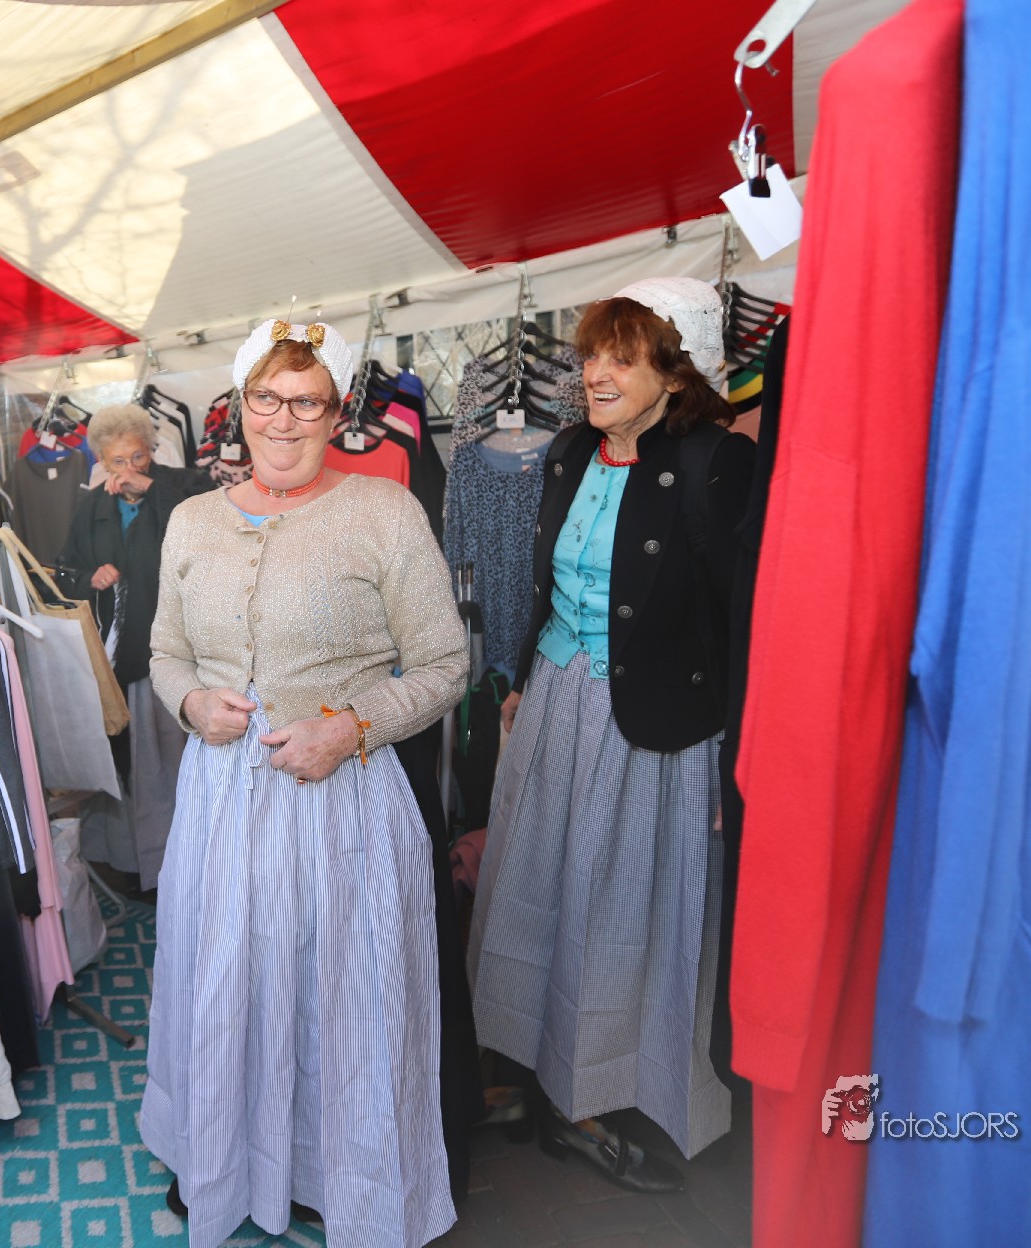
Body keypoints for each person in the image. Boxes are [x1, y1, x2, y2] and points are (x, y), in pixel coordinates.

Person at [142, 319, 467, 1247]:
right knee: (226, 978)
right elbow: (165, 651)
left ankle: (330, 1169)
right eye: (267, 398)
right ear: (238, 407)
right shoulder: (191, 521)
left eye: (307, 401)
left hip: (340, 800)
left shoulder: (384, 512)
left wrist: (349, 728)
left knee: (335, 994)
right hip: (220, 802)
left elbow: (445, 664)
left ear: (337, 412)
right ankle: (223, 1156)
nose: (284, 420)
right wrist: (189, 702)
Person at [465, 278, 757, 1193]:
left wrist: (740, 762)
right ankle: (533, 1074)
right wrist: (524, 679)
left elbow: (745, 625)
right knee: (537, 897)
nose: (594, 373)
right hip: (557, 704)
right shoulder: (566, 452)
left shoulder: (717, 461)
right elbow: (549, 584)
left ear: (676, 373)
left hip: (654, 728)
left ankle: (604, 1096)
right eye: (592, 355)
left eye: (621, 359)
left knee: (621, 914)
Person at [55, 403, 214, 892]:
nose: (128, 471)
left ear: (152, 451)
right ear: (101, 462)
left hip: (177, 653)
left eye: (138, 457)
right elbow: (63, 568)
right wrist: (91, 577)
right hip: (117, 657)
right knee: (131, 766)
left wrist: (154, 489)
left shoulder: (184, 487)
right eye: (117, 462)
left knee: (172, 765)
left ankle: (190, 868)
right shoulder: (92, 506)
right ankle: (138, 868)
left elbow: (214, 532)